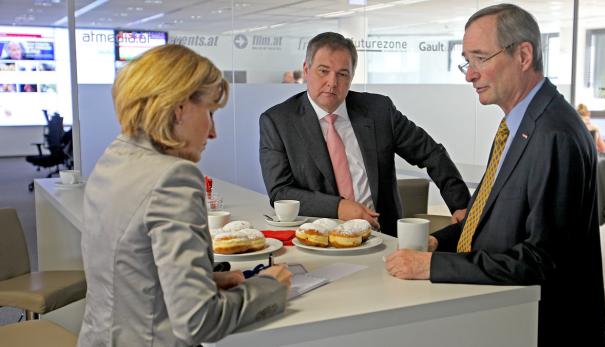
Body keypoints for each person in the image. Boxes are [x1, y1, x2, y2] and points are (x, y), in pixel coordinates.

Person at [385, 4, 605, 346]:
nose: (469, 74)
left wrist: (432, 266)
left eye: (480, 59)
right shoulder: (517, 125)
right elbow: (486, 219)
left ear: (523, 55)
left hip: (540, 328)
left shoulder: (553, 134)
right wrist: (440, 243)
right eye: (467, 61)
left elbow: (539, 260)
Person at [79, 44, 291, 346]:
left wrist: (204, 282)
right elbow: (198, 322)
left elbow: (129, 276)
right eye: (211, 113)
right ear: (180, 108)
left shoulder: (114, 158)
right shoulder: (173, 176)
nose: (213, 132)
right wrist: (269, 288)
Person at [259, 32, 470, 236]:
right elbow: (280, 192)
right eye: (323, 71)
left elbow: (431, 153)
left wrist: (460, 205)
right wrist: (339, 207)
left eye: (342, 74)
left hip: (382, 236)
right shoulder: (278, 121)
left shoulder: (378, 110)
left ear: (351, 77)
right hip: (318, 238)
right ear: (306, 70)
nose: (332, 83)